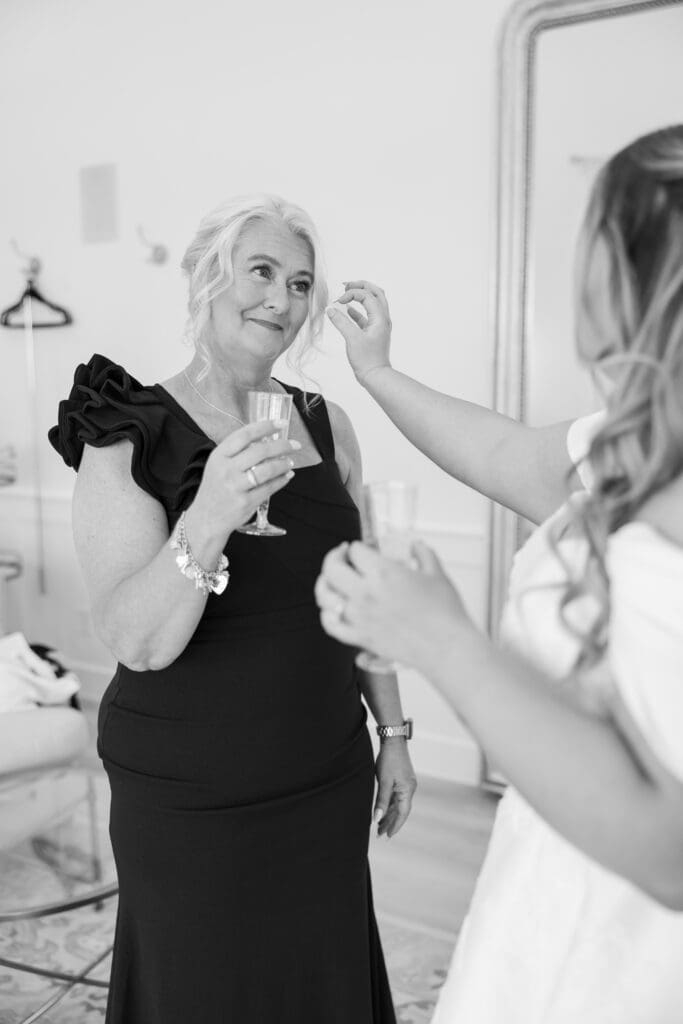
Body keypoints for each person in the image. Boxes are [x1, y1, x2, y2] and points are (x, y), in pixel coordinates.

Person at [316, 125, 683, 1023]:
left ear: (627, 271)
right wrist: (378, 372)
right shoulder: (633, 439)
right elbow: (500, 450)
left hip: (628, 952)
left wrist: (440, 640)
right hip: (548, 878)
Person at [48, 194, 416, 1023]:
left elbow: (355, 595)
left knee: (316, 970)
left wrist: (391, 735)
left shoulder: (328, 424)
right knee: (201, 986)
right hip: (191, 787)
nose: (280, 301)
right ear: (203, 277)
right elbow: (135, 642)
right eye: (260, 272)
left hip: (321, 769)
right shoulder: (125, 434)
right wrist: (209, 513)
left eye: (298, 283)